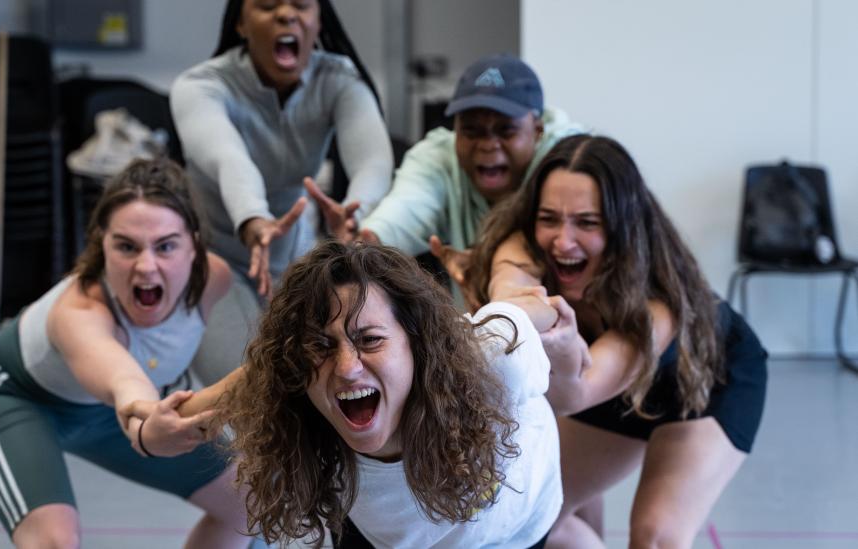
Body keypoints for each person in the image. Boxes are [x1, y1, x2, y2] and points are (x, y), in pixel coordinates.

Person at [469, 134, 768, 548]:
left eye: (587, 223)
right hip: (600, 376)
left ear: (622, 226)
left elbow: (575, 395)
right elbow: (510, 294)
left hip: (705, 383)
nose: (563, 241)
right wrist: (513, 308)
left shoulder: (657, 303)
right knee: (531, 514)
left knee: (656, 535)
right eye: (549, 218)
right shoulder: (524, 243)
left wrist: (561, 345)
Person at [161, 241, 562, 548]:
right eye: (321, 346)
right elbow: (254, 377)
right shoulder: (310, 417)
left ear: (417, 345)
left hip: (519, 529)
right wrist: (151, 431)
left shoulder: (491, 357)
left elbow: (532, 310)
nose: (346, 367)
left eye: (370, 340)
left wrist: (566, 331)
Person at [0, 159, 250, 548]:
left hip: (106, 415)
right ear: (101, 243)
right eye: (127, 246)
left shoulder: (213, 280)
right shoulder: (79, 313)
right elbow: (124, 382)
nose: (146, 267)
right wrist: (146, 429)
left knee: (249, 503)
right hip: (18, 401)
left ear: (193, 245)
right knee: (54, 540)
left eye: (166, 246)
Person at [172, 0, 394, 385]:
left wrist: (356, 214)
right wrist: (254, 218)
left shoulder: (339, 79)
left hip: (295, 252)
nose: (286, 14)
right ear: (240, 23)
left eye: (301, 5)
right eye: (267, 4)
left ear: (318, 20)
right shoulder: (200, 86)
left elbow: (373, 162)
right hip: (216, 257)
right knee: (239, 382)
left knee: (314, 375)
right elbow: (229, 159)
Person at [334, 53, 582, 297]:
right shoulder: (438, 157)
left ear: (537, 130)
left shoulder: (568, 158)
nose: (488, 145)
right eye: (472, 131)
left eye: (505, 131)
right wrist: (360, 241)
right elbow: (405, 209)